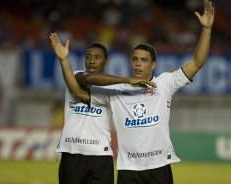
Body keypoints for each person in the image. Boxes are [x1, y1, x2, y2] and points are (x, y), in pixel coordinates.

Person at [57, 0, 214, 183]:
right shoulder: (117, 90)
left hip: (159, 166)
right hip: (128, 170)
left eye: (144, 60)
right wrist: (64, 62)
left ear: (153, 64)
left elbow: (197, 62)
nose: (138, 64)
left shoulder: (165, 83)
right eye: (135, 59)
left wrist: (207, 30)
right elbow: (80, 89)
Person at [49, 33, 156, 184]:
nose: (92, 61)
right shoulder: (75, 76)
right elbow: (84, 83)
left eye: (97, 57)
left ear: (105, 62)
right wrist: (63, 60)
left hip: (100, 154)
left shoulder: (113, 88)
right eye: (88, 57)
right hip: (72, 152)